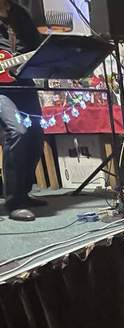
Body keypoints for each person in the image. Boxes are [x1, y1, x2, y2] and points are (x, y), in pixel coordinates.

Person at [0, 0, 45, 222]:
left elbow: (37, 46)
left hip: (23, 82)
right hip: (1, 90)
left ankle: (24, 192)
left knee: (36, 134)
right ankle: (14, 201)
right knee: (18, 131)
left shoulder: (20, 13)